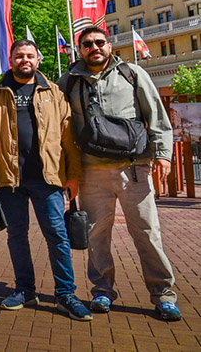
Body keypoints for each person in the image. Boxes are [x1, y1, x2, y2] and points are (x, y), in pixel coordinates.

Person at [58, 26, 181, 321]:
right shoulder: (69, 81)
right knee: (96, 235)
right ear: (80, 49)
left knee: (147, 233)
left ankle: (163, 294)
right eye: (88, 44)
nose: (95, 47)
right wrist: (67, 172)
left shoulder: (132, 73)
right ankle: (102, 290)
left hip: (133, 169)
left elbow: (156, 115)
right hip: (91, 172)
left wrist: (162, 154)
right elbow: (60, 126)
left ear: (110, 45)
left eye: (100, 42)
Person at [0, 39, 91, 321]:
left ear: (38, 60)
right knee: (17, 235)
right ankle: (24, 290)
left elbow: (68, 136)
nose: (24, 60)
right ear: (10, 60)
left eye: (30, 55)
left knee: (57, 235)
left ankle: (66, 294)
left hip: (47, 177)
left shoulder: (53, 91)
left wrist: (73, 175)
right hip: (9, 178)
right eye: (19, 56)